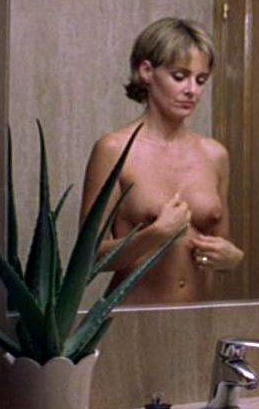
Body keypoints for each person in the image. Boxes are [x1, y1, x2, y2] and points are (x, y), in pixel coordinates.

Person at [80, 17, 243, 305]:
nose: (192, 90)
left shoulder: (215, 155)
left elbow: (220, 244)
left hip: (199, 318)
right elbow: (87, 258)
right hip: (133, 320)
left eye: (201, 80)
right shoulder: (114, 150)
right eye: (179, 76)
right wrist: (155, 234)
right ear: (147, 72)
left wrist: (231, 258)